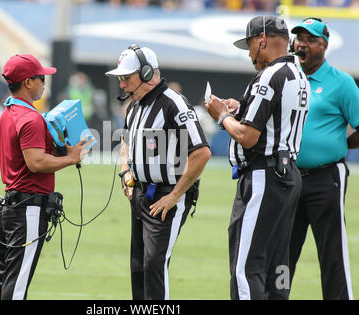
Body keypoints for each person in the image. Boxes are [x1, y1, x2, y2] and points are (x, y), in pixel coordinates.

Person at [206, 16, 310, 300]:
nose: (249, 52)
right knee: (278, 264)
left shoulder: (270, 75)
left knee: (246, 266)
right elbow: (276, 120)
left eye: (250, 44)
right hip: (289, 174)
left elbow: (248, 136)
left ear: (262, 40)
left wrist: (222, 115)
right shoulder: (298, 74)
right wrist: (242, 108)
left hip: (265, 176)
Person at [105, 45, 211, 300]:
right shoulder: (134, 106)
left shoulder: (173, 104)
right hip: (140, 195)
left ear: (146, 73)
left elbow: (201, 152)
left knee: (154, 265)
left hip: (165, 197)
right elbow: (126, 142)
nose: (122, 84)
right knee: (139, 267)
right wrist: (125, 173)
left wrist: (174, 196)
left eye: (126, 77)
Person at [0, 54, 93, 300]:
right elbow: (36, 163)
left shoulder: (9, 111)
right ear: (28, 82)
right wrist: (71, 158)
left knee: (3, 277)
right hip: (27, 207)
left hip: (13, 205)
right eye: (41, 78)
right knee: (17, 283)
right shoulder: (31, 118)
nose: (44, 82)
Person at [288, 18, 359, 300]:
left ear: (324, 45)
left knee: (331, 251)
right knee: (283, 249)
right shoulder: (287, 77)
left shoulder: (341, 83)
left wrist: (337, 144)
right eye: (299, 38)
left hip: (325, 177)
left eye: (310, 39)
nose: (301, 44)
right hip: (289, 177)